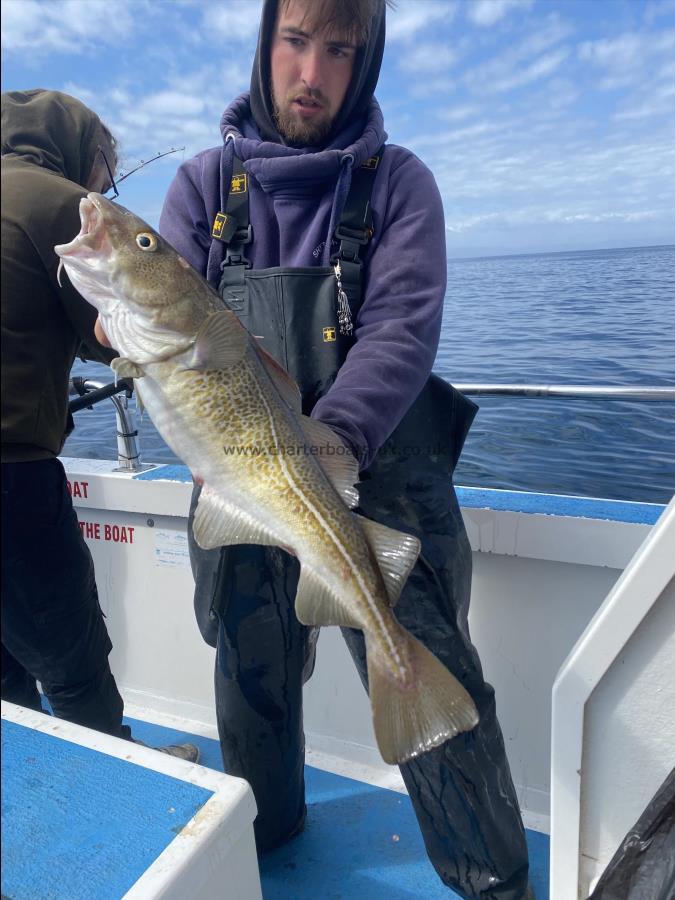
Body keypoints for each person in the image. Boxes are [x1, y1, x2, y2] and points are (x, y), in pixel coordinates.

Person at [158, 1, 533, 896]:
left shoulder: (400, 183)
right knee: (250, 673)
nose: (311, 73)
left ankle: (494, 881)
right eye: (294, 41)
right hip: (242, 479)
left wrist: (324, 449)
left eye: (338, 49)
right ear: (263, 46)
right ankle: (266, 840)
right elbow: (164, 319)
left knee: (436, 682)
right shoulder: (204, 188)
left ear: (362, 63)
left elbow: (401, 332)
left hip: (379, 471)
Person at [1, 89, 199, 763]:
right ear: (83, 155)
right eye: (105, 173)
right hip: (10, 478)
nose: (103, 190)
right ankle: (125, 787)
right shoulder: (69, 208)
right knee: (71, 655)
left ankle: (38, 787)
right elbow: (115, 332)